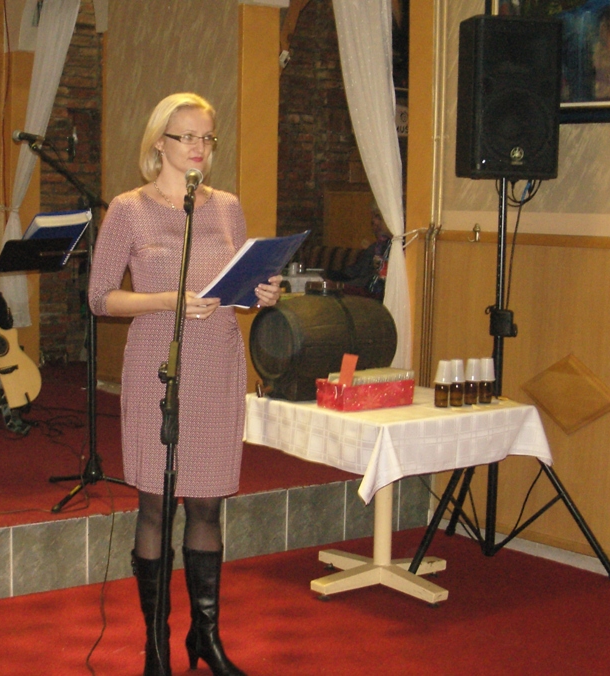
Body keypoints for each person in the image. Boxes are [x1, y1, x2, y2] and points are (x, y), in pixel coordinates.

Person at [88, 93, 282, 676]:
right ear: (159, 142)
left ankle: (206, 636)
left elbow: (236, 289)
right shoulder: (129, 209)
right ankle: (157, 647)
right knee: (156, 506)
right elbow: (100, 298)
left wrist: (261, 294)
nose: (199, 147)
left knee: (206, 506)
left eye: (206, 137)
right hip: (159, 364)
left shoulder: (226, 207)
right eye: (187, 136)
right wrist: (166, 300)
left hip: (217, 363)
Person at [329, 200, 390, 301]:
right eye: (373, 218)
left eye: (379, 217)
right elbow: (353, 272)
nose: (374, 222)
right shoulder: (375, 247)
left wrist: (339, 286)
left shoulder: (397, 249)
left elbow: (371, 283)